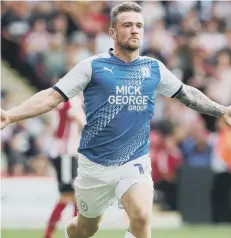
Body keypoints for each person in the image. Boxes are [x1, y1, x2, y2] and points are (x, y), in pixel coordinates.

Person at [1, 2, 231, 238]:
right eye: (128, 25)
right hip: (95, 166)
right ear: (112, 32)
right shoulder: (93, 67)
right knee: (84, 229)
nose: (135, 30)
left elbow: (186, 93)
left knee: (141, 216)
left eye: (139, 26)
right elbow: (51, 97)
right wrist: (11, 115)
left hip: (134, 161)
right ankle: (74, 229)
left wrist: (220, 110)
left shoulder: (153, 68)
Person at [44, 95, 85, 238]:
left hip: (62, 152)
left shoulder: (61, 100)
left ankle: (57, 233)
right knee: (69, 196)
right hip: (66, 154)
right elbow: (81, 120)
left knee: (73, 196)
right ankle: (51, 234)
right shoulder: (72, 100)